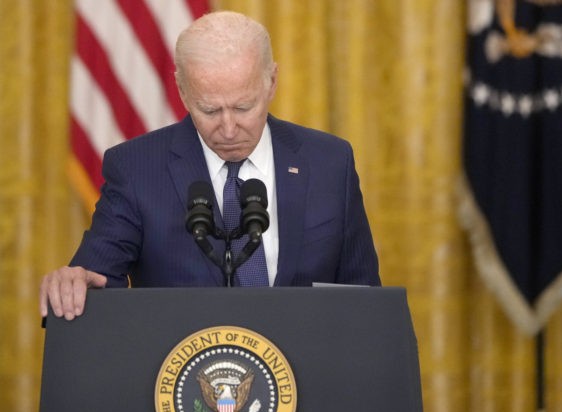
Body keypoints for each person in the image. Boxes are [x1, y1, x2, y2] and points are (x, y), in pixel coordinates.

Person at [39, 11, 380, 321]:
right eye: (210, 110)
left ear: (272, 82)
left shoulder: (329, 163)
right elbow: (96, 281)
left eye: (244, 107)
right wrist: (74, 283)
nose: (229, 129)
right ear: (183, 93)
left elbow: (363, 300)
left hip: (307, 379)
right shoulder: (136, 169)